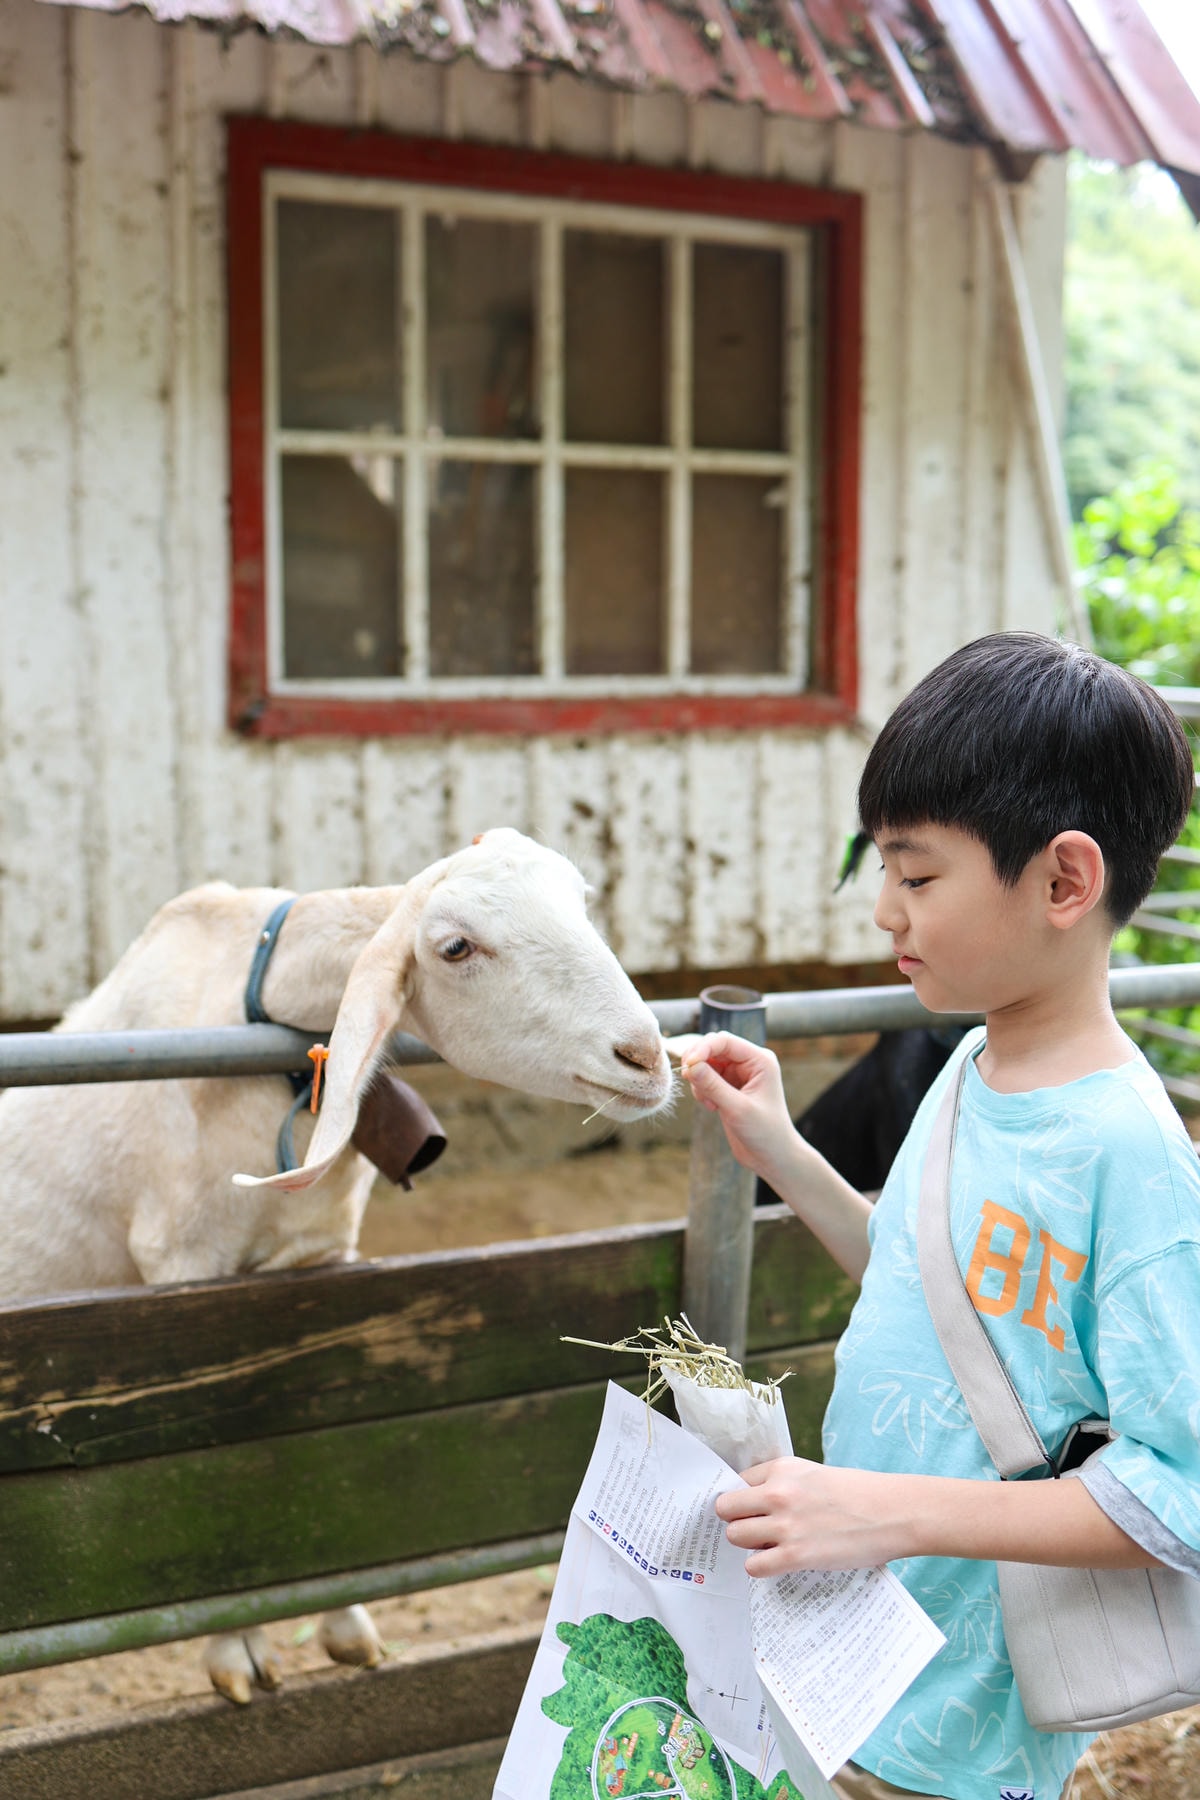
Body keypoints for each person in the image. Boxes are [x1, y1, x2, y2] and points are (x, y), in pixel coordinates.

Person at [680, 632, 1200, 1800]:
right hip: (846, 1660)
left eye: (917, 877)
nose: (883, 910)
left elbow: (1181, 1490)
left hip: (968, 1734)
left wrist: (882, 1513)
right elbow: (919, 1281)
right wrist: (780, 1149)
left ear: (1066, 882)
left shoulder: (1132, 1158)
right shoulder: (967, 1071)